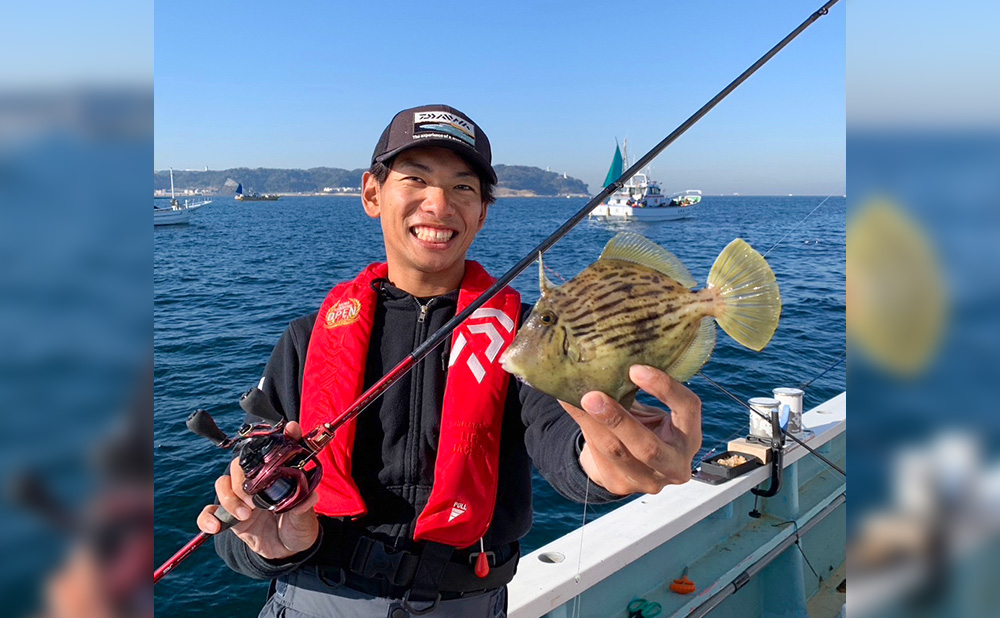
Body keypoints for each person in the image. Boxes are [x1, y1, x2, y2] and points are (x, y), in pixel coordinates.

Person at [196, 104, 702, 617]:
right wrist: (263, 547)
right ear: (372, 194)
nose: (438, 204)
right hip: (312, 598)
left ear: (483, 211)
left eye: (464, 187)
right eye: (415, 178)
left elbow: (562, 435)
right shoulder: (305, 341)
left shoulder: (527, 337)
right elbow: (246, 510)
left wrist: (613, 462)